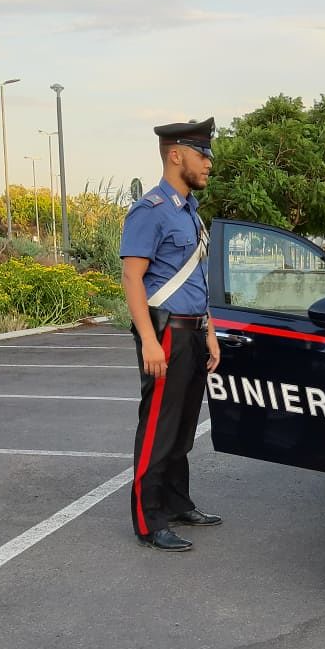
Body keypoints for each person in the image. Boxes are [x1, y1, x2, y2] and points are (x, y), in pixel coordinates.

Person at [120, 117, 222, 552]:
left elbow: (196, 279)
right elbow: (132, 277)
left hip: (193, 332)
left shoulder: (189, 213)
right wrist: (147, 339)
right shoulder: (151, 210)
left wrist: (209, 330)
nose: (209, 163)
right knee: (159, 428)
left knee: (182, 427)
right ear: (176, 155)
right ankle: (149, 519)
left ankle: (178, 503)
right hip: (165, 334)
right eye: (203, 154)